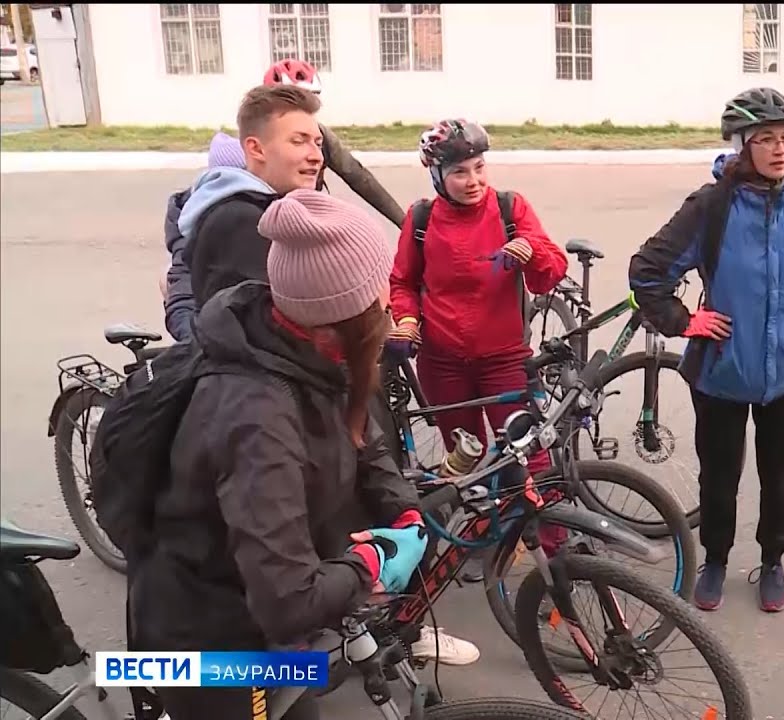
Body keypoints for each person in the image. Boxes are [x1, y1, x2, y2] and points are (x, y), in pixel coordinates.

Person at [129, 189, 437, 719]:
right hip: (212, 641)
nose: (389, 306)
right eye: (379, 296)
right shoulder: (258, 420)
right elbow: (288, 600)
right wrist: (370, 562)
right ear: (344, 313)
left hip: (256, 608)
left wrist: (402, 509)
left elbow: (360, 435)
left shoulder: (302, 342)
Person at [628, 87, 784, 614]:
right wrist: (686, 320)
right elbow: (647, 272)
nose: (780, 149)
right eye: (766, 139)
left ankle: (773, 559)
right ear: (742, 146)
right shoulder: (711, 207)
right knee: (719, 474)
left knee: (779, 474)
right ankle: (715, 558)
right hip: (722, 372)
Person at [386, 119, 569, 583]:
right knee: (466, 456)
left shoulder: (510, 208)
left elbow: (549, 275)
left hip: (503, 357)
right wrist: (406, 320)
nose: (474, 181)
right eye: (460, 172)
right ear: (437, 177)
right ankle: (487, 535)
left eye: (480, 167)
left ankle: (554, 544)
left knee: (528, 451)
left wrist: (531, 248)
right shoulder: (422, 219)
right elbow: (403, 281)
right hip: (442, 363)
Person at [179, 83, 321, 309]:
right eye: (298, 141)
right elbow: (255, 332)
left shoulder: (264, 209)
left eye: (318, 143)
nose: (316, 156)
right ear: (256, 149)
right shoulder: (243, 222)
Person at [262, 57, 406, 227]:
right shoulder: (257, 141)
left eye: (309, 103)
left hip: (307, 215)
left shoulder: (321, 135)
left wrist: (404, 223)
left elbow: (358, 176)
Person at [160, 131, 246, 342]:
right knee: (166, 277)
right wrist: (195, 343)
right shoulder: (198, 216)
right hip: (218, 334)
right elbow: (183, 284)